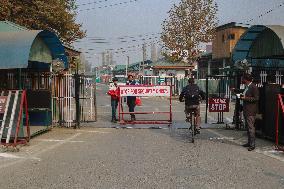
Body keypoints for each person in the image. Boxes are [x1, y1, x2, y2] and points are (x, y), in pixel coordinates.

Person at [240, 74, 259, 151]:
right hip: (246, 109)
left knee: (251, 128)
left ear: (246, 79)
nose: (242, 80)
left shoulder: (253, 87)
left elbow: (256, 98)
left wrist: (245, 98)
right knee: (248, 127)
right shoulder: (247, 87)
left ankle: (252, 145)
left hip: (251, 111)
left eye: (243, 79)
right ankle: (249, 142)